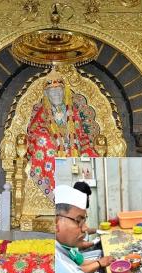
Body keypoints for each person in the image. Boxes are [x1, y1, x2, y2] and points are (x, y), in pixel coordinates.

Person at [27, 69, 97, 199]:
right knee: (43, 140)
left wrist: (71, 140)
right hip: (52, 149)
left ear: (64, 93)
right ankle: (58, 192)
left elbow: (80, 131)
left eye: (59, 91)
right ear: (47, 95)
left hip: (73, 147)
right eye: (53, 92)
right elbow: (35, 131)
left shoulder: (72, 111)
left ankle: (80, 193)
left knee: (87, 155)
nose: (56, 95)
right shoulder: (43, 112)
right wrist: (54, 140)